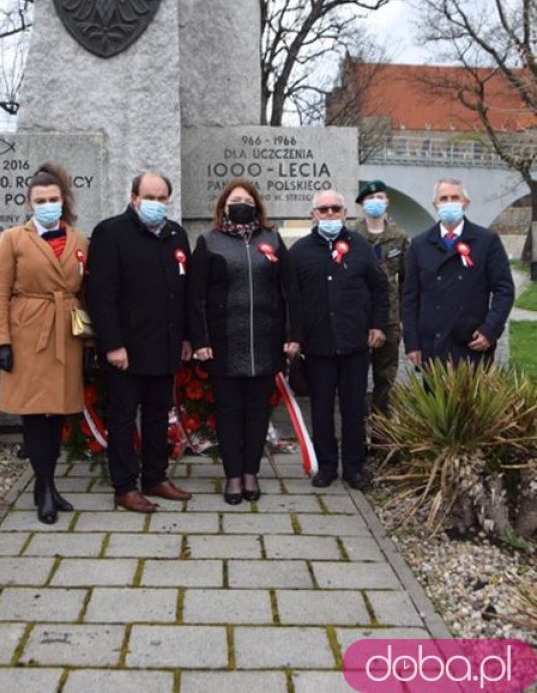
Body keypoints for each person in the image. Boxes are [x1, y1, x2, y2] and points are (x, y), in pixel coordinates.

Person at [188, 179, 301, 504]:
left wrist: (294, 336)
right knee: (229, 412)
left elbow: (289, 290)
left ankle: (252, 472)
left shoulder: (271, 239)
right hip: (224, 343)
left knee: (257, 412)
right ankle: (233, 476)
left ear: (256, 206)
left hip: (266, 343)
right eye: (235, 199)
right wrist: (200, 340)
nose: (241, 204)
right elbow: (196, 296)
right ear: (224, 206)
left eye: (247, 200)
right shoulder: (209, 241)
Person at [85, 171, 192, 513]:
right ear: (134, 198)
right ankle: (125, 486)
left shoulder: (176, 234)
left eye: (162, 198)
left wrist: (186, 337)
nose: (156, 204)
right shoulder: (110, 232)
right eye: (150, 197)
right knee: (122, 417)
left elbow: (183, 291)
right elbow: (101, 295)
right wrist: (113, 344)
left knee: (160, 415)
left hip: (165, 345)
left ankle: (155, 477)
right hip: (126, 350)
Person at [0, 163, 89, 524]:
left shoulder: (79, 241)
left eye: (53, 198)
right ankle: (45, 488)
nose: (47, 204)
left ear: (63, 201)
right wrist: (2, 341)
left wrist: (89, 341)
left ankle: (46, 484)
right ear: (30, 203)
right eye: (40, 199)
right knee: (34, 412)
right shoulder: (13, 239)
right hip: (28, 332)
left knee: (58, 412)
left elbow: (87, 292)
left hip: (65, 334)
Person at [289, 189, 389, 490]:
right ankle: (327, 466)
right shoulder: (299, 252)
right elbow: (290, 298)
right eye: (324, 210)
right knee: (320, 409)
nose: (330, 215)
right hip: (317, 346)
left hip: (354, 344)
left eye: (336, 209)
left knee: (354, 408)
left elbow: (380, 289)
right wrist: (293, 338)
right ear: (313, 215)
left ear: (345, 214)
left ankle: (354, 467)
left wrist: (378, 325)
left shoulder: (361, 247)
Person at [402, 178, 515, 369]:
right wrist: (412, 343)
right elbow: (410, 298)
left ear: (466, 203)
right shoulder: (420, 244)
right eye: (444, 198)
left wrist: (490, 329)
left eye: (455, 198)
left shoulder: (486, 241)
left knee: (472, 399)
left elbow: (504, 290)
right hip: (432, 346)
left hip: (472, 342)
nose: (449, 203)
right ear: (435, 204)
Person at [354, 180, 409, 415]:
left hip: (389, 318)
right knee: (354, 380)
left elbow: (407, 281)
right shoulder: (353, 235)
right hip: (357, 318)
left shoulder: (399, 236)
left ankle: (380, 435)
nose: (375, 202)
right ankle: (357, 434)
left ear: (387, 201)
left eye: (380, 197)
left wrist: (405, 318)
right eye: (369, 198)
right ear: (362, 204)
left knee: (385, 379)